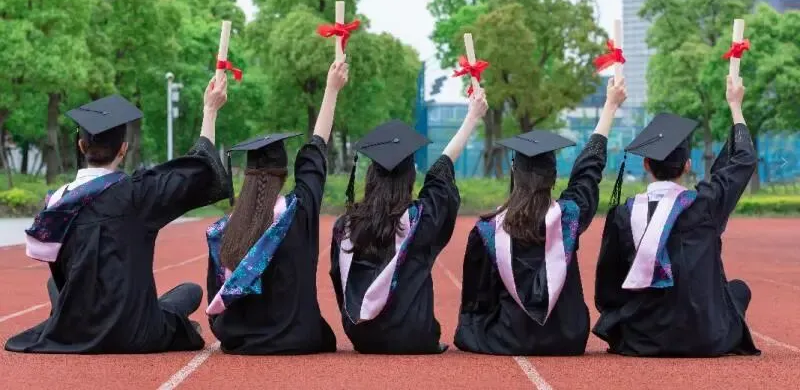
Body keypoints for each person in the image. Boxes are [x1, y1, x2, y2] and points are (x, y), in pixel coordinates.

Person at [6, 75, 231, 354]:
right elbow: (198, 171)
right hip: (134, 331)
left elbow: (41, 252)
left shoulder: (57, 203)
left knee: (56, 284)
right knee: (190, 292)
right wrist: (210, 110)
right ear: (123, 148)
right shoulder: (138, 194)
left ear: (81, 146)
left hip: (77, 329)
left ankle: (77, 319)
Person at [453, 78, 626, 356]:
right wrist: (610, 106)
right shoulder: (568, 217)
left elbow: (478, 298)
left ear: (514, 171)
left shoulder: (488, 229)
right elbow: (588, 171)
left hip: (507, 336)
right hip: (567, 338)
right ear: (554, 175)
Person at [592, 76, 760, 357]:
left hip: (644, 338)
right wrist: (735, 105)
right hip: (705, 337)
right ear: (688, 165)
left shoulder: (624, 214)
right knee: (738, 290)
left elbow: (608, 287)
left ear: (646, 164)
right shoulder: (706, 204)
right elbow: (743, 160)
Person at [329, 89, 488, 354]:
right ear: (410, 177)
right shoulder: (420, 219)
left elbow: (339, 281)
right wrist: (472, 118)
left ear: (371, 175)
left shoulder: (345, 227)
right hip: (415, 336)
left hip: (362, 336)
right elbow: (441, 174)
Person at [205, 60, 348, 355]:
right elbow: (316, 149)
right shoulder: (298, 210)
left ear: (247, 174)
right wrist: (331, 89)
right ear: (283, 173)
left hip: (242, 340)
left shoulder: (226, 229)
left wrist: (210, 110)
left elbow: (215, 293)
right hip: (299, 339)